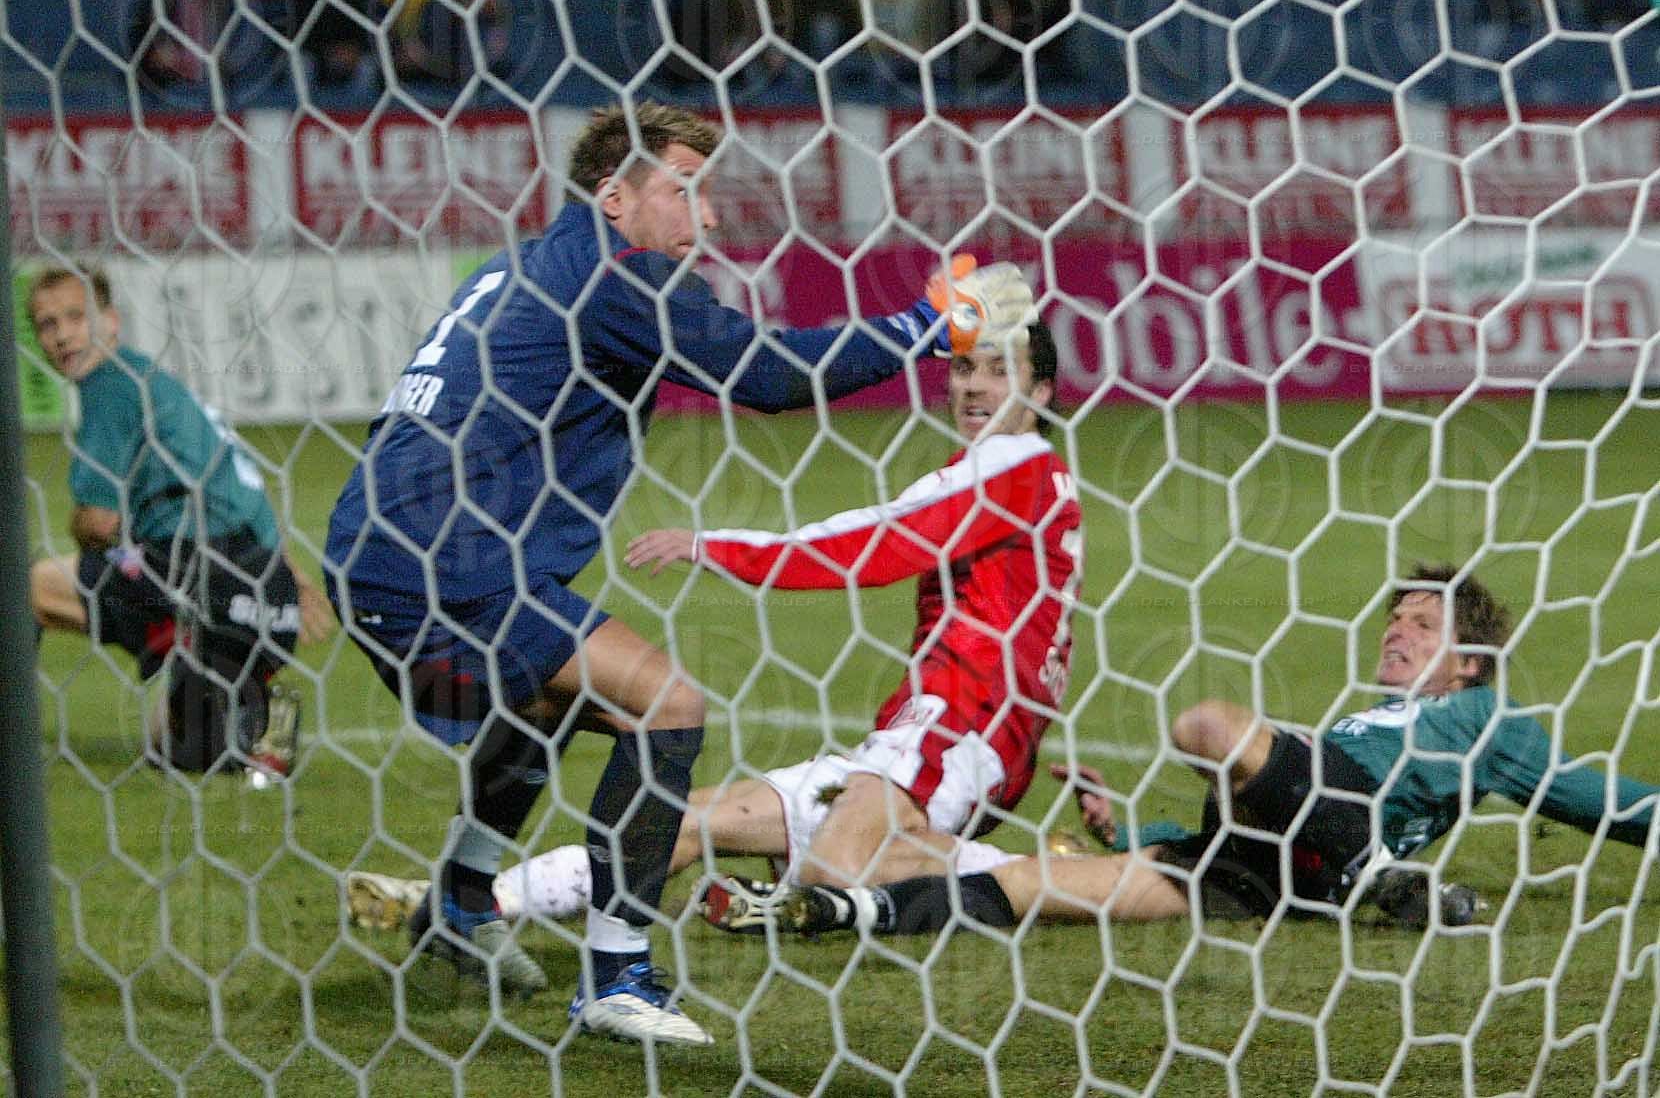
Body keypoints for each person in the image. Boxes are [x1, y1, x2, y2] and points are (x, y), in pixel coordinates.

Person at [323, 101, 1035, 1047]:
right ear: (615, 197)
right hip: (448, 559)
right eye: (684, 192)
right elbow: (773, 375)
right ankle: (618, 977)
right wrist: (930, 323)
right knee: (668, 704)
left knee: (550, 711)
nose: (704, 219)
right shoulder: (618, 280)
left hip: (374, 549)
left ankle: (459, 905)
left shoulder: (519, 266)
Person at [345, 320, 1089, 934]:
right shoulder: (1020, 476)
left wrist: (714, 546)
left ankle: (1066, 882)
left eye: (998, 370)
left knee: (834, 871)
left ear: (1042, 391)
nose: (971, 386)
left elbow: (872, 544)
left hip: (963, 726)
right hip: (933, 728)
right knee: (684, 820)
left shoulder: (1012, 467)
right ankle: (470, 908)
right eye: (963, 367)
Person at [716, 565, 1660, 939]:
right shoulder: (1367, 722)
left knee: (1207, 723)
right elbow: (1265, 801)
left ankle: (1366, 874)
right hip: (1252, 868)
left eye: (1423, 627)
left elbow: (1599, 800)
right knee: (1038, 884)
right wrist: (1125, 826)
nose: (1398, 636)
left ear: (1468, 663)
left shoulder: (1491, 724)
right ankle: (847, 911)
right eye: (1395, 621)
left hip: (1336, 839)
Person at [26, 266, 333, 779]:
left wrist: (91, 530)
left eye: (75, 317)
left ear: (111, 321)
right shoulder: (155, 381)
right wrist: (285, 576)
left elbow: (99, 523)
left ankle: (12, 740)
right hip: (262, 590)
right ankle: (255, 716)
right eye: (46, 324)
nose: (61, 335)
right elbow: (241, 485)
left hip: (195, 574)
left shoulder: (109, 386)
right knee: (171, 748)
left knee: (25, 588)